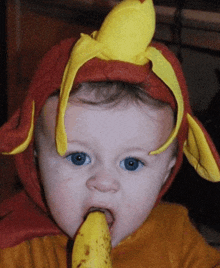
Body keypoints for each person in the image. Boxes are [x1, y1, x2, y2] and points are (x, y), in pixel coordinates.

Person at [0, 0, 220, 267]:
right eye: (78, 158)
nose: (103, 182)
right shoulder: (15, 251)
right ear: (35, 158)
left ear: (166, 171)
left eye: (131, 163)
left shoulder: (178, 238)